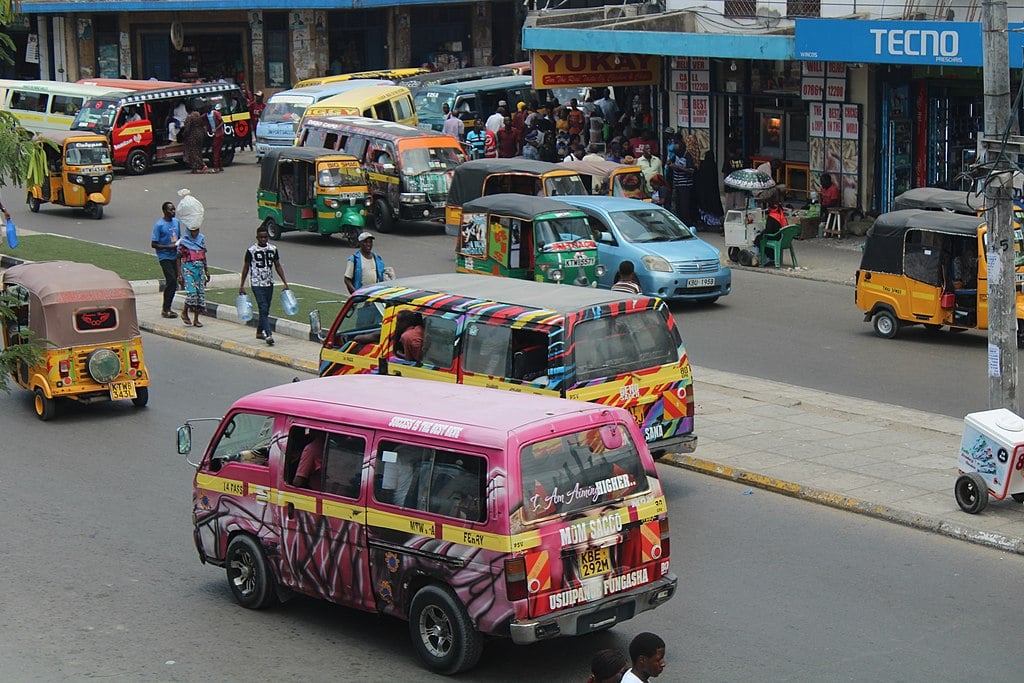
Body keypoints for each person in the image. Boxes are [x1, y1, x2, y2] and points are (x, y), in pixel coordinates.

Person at [239, 225, 290, 346]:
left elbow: (277, 265)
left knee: (266, 308)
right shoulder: (251, 250)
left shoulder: (273, 249)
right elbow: (246, 267)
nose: (263, 239)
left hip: (269, 282)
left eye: (265, 237)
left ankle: (258, 332)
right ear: (257, 237)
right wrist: (242, 285)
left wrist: (284, 282)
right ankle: (268, 334)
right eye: (261, 237)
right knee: (263, 307)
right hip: (257, 283)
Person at [176, 217, 209, 328]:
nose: (195, 233)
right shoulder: (184, 242)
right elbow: (178, 258)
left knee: (200, 295)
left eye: (197, 230)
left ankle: (196, 319)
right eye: (193, 231)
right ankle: (185, 312)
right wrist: (179, 274)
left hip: (199, 271)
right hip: (188, 269)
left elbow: (203, 256)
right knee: (192, 294)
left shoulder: (201, 240)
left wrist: (207, 270)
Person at [151, 201, 180, 319]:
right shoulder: (159, 225)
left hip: (175, 256)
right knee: (172, 280)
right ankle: (165, 308)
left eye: (174, 209)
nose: (173, 212)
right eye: (171, 210)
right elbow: (154, 244)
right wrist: (168, 247)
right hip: (164, 256)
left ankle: (168, 307)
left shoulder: (176, 222)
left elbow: (179, 237)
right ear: (164, 211)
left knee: (174, 282)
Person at [668, 136, 696, 226]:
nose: (677, 155)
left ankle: (687, 223)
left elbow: (691, 170)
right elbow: (669, 163)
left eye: (678, 152)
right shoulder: (675, 156)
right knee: (678, 205)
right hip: (677, 184)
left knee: (685, 206)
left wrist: (678, 167)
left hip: (686, 185)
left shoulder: (687, 156)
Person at [694, 150, 725, 231]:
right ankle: (715, 223)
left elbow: (698, 176)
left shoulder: (704, 165)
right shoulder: (713, 165)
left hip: (703, 191)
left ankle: (706, 223)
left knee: (705, 207)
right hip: (713, 190)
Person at [204, 104, 225, 173]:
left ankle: (216, 167)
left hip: (219, 134)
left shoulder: (215, 113)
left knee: (215, 150)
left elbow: (222, 122)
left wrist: (216, 129)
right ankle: (220, 166)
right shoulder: (206, 115)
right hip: (215, 134)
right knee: (217, 150)